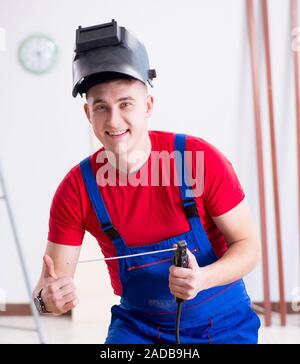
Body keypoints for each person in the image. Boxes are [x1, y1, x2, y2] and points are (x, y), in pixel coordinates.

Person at [32, 19, 261, 344]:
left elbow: (249, 247)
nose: (113, 121)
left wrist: (203, 278)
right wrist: (48, 299)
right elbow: (48, 285)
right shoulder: (77, 190)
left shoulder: (199, 160)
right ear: (88, 114)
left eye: (125, 104)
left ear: (148, 105)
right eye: (101, 107)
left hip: (223, 325)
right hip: (139, 330)